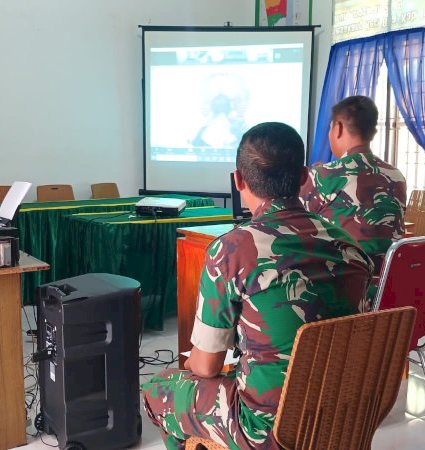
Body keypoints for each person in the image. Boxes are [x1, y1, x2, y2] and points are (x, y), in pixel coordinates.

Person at [142, 122, 373, 450]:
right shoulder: (350, 247)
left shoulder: (230, 251)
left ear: (238, 180)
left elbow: (206, 367)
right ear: (305, 178)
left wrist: (190, 367)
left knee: (160, 390)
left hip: (267, 428)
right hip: (342, 414)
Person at [300, 95, 407, 272]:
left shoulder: (323, 175)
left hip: (342, 285)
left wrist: (315, 175)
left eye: (330, 128)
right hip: (388, 284)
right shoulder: (396, 175)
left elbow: (297, 221)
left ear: (339, 128)